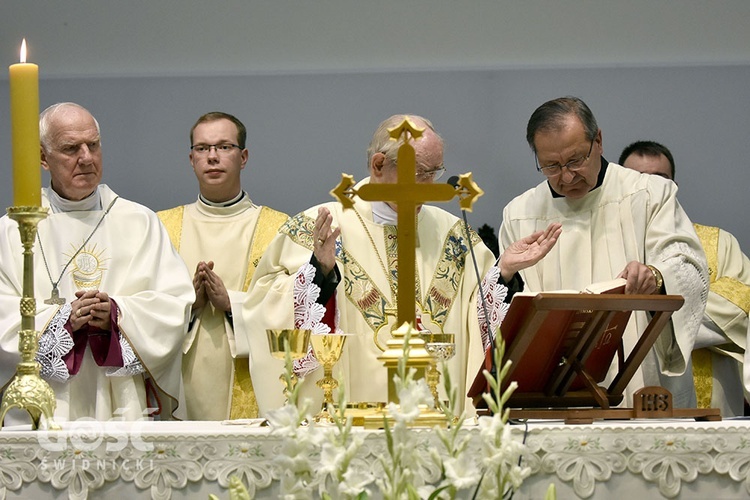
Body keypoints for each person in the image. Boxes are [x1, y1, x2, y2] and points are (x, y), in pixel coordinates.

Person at [244, 114, 560, 415]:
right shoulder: (319, 228)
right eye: (422, 171)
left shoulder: (454, 235)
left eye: (435, 171)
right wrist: (319, 272)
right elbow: (264, 308)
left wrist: (504, 271)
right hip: (349, 422)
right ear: (379, 164)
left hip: (437, 416)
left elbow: (478, 321)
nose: (431, 183)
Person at [499, 97, 709, 407]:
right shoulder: (520, 213)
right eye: (552, 166)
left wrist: (655, 276)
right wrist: (505, 273)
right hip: (553, 391)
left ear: (598, 140)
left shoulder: (650, 194)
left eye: (575, 160)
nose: (567, 176)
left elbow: (687, 265)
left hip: (641, 381)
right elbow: (503, 311)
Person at [0, 102, 194, 425]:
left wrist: (117, 313)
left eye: (93, 145)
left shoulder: (139, 222)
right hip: (45, 402)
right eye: (71, 148)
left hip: (121, 403)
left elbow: (175, 305)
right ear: (43, 158)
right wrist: (62, 320)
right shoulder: (13, 230)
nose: (86, 158)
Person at [157, 112, 288, 421]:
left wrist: (233, 305)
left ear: (243, 157)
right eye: (202, 148)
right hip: (177, 381)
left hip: (247, 381)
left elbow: (291, 313)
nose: (212, 157)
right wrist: (187, 305)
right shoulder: (161, 227)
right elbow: (142, 311)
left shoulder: (278, 228)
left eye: (224, 147)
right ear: (191, 159)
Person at [620, 140, 750, 416]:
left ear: (673, 187)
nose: (650, 189)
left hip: (717, 407)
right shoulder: (610, 246)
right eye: (639, 180)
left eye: (660, 181)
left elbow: (740, 306)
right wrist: (684, 305)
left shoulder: (718, 243)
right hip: (628, 402)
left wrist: (645, 322)